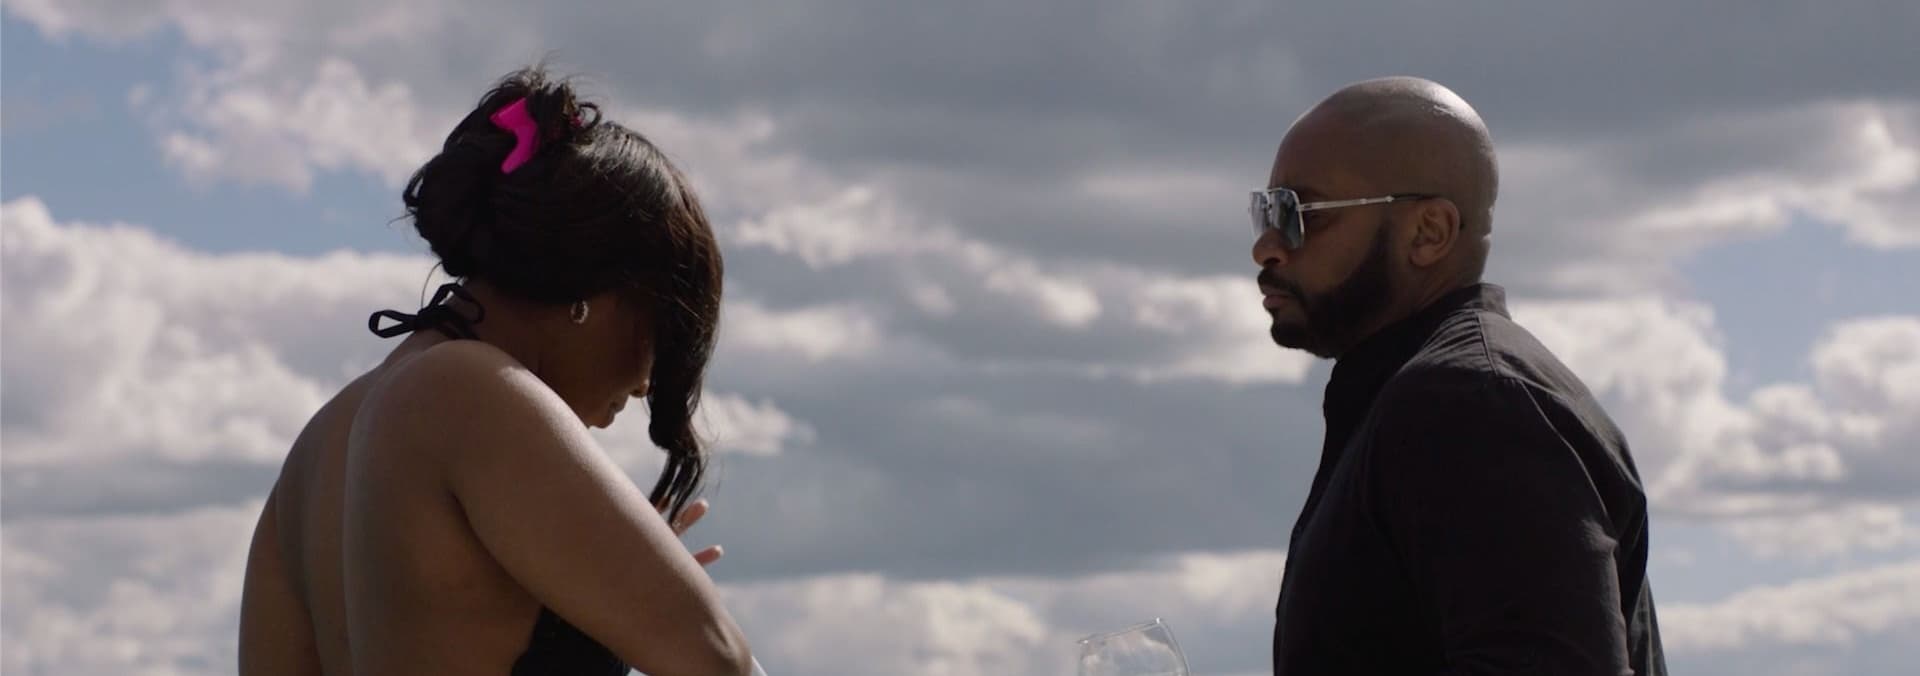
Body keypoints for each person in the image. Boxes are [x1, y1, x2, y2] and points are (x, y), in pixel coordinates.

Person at [237, 66, 756, 676]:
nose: (647, 382)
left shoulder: (319, 446)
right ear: (598, 293)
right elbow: (721, 663)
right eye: (663, 329)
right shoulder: (465, 392)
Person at [1253, 77, 1666, 675]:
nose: (1266, 246)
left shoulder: (1470, 403)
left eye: (1298, 213)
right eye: (1265, 211)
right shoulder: (1435, 397)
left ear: (1430, 233)